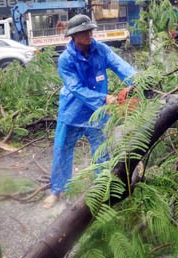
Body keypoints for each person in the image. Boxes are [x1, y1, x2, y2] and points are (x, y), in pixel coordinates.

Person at [43, 14, 137, 208]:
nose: (88, 35)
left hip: (97, 114)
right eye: (83, 32)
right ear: (73, 35)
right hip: (72, 112)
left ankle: (101, 188)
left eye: (89, 30)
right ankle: (57, 190)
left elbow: (121, 66)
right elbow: (75, 88)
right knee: (62, 150)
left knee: (101, 152)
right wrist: (104, 98)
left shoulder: (101, 50)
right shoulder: (65, 60)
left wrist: (139, 82)